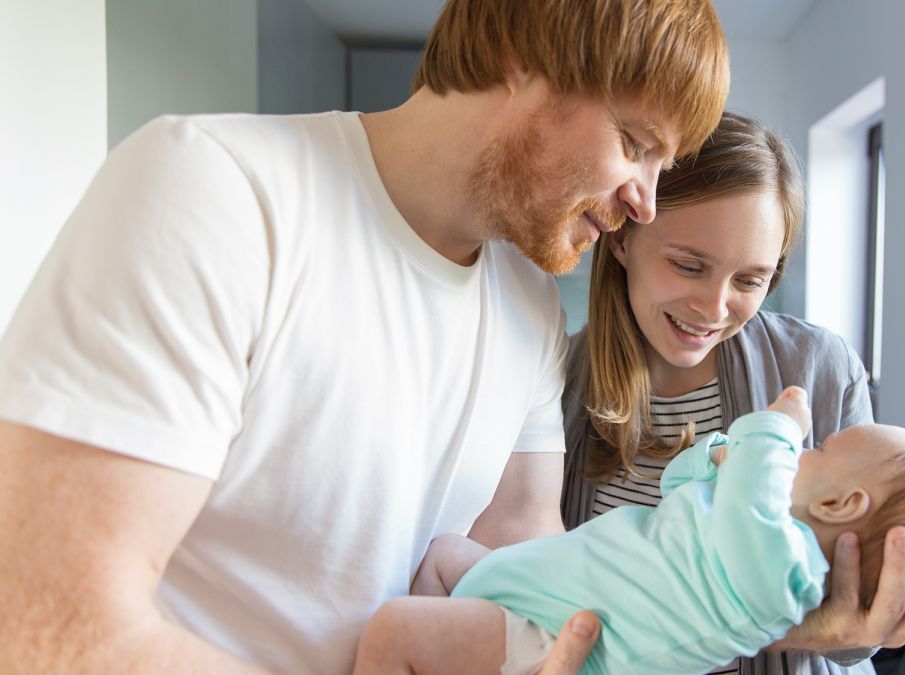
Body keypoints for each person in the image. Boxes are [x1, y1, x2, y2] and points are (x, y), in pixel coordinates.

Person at [0, 1, 729, 673]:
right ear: (523, 58)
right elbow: (48, 619)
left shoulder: (529, 302)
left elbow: (522, 558)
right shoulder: (216, 190)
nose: (646, 202)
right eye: (635, 143)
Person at [559, 112, 905, 674]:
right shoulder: (557, 378)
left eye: (750, 280)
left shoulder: (820, 368)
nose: (714, 308)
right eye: (688, 266)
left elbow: (847, 637)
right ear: (623, 238)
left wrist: (893, 602)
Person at [350, 386, 905, 675]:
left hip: (547, 641)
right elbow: (679, 488)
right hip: (523, 593)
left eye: (819, 450)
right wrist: (717, 456)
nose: (802, 449)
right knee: (443, 553)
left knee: (394, 630)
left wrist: (776, 429)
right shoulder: (739, 531)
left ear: (842, 504)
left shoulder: (780, 577)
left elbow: (751, 508)